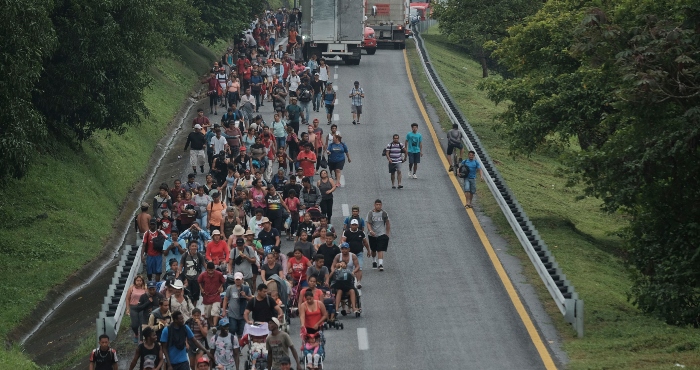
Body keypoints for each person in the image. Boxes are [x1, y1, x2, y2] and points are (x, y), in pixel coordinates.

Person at [341, 219, 370, 288]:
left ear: (358, 225)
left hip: (358, 253)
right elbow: (343, 240)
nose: (354, 226)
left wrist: (368, 250)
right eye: (353, 225)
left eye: (355, 225)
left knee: (359, 267)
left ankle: (358, 282)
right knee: (346, 267)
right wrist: (344, 248)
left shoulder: (361, 233)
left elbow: (365, 242)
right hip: (349, 254)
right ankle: (347, 281)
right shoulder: (346, 232)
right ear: (350, 225)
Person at [198, 262, 225, 329]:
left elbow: (223, 281)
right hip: (207, 297)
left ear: (214, 269)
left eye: (212, 270)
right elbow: (199, 281)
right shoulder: (203, 275)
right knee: (208, 314)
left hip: (216, 296)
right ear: (206, 269)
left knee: (215, 311)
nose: (210, 272)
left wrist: (220, 287)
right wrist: (201, 289)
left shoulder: (219, 274)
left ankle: (214, 326)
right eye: (209, 270)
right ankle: (211, 324)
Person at [366, 199, 391, 271]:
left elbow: (387, 223)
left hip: (381, 233)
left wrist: (387, 233)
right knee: (373, 249)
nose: (378, 206)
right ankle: (374, 261)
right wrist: (370, 231)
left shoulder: (384, 213)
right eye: (377, 204)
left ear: (381, 205)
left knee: (380, 249)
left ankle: (380, 264)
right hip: (372, 235)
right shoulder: (370, 213)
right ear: (374, 205)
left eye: (379, 205)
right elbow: (368, 223)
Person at [126, 275, 147, 343]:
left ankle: (141, 339)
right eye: (137, 281)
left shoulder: (145, 288)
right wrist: (128, 308)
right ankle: (136, 334)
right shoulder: (131, 288)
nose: (139, 282)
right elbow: (127, 298)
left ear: (142, 281)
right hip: (133, 307)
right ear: (135, 281)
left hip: (142, 307)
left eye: (140, 281)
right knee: (134, 325)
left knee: (142, 324)